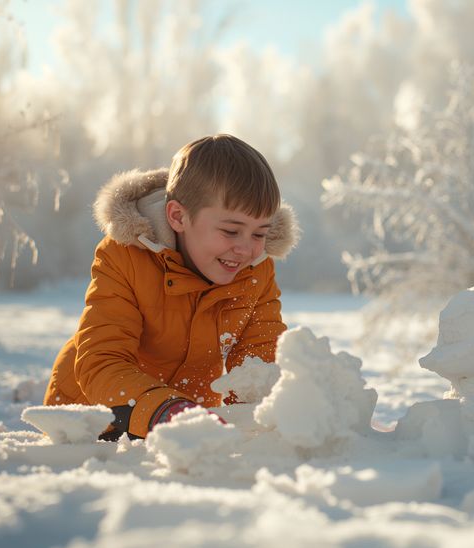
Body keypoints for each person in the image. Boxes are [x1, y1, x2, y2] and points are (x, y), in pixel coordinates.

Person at [44, 134, 299, 440]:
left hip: (185, 425)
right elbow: (102, 361)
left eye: (259, 234)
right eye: (231, 231)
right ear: (178, 216)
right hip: (94, 422)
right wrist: (165, 412)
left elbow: (258, 362)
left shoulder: (255, 272)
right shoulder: (126, 255)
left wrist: (263, 420)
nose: (246, 249)